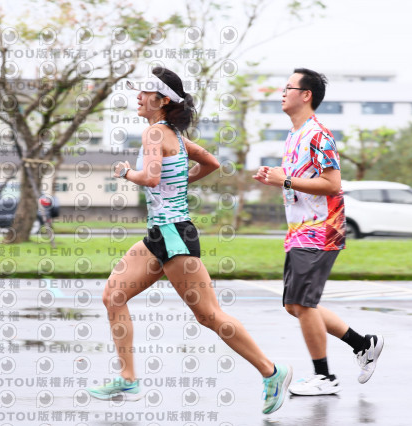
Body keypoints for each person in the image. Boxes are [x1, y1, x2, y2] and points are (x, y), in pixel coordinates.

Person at [87, 67, 292, 414]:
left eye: (145, 92)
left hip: (173, 235)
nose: (138, 97)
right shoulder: (175, 137)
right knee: (113, 295)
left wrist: (126, 173)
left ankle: (271, 372)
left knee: (209, 315)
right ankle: (128, 379)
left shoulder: (155, 133)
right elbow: (210, 163)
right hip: (160, 234)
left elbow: (151, 179)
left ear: (162, 100)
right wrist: (178, 184)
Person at [253, 68, 384, 395]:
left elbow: (332, 184)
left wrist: (284, 180)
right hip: (300, 229)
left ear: (306, 94)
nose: (282, 93)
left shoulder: (318, 134)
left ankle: (324, 377)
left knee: (302, 303)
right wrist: (277, 178)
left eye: (288, 87)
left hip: (321, 229)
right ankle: (363, 344)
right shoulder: (294, 135)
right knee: (294, 305)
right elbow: (300, 183)